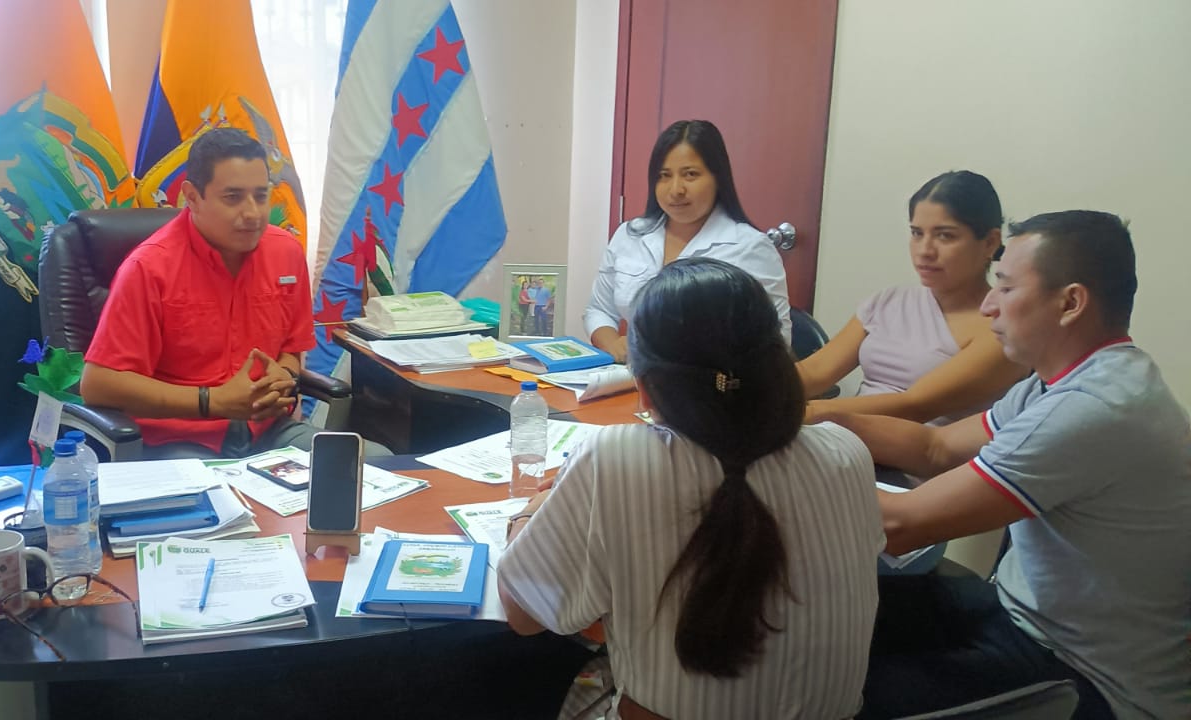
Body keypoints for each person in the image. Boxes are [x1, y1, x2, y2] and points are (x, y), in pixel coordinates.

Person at [817, 211, 1191, 719]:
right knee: (825, 619)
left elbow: (900, 526)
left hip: (1086, 675)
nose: (988, 305)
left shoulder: (1095, 407)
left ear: (1071, 303)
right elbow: (935, 447)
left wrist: (792, 472)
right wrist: (810, 417)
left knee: (835, 691)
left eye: (1007, 287)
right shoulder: (1061, 380)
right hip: (1020, 614)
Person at [500, 258, 883, 719]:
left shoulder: (615, 457)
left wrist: (533, 510)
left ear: (644, 388)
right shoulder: (847, 451)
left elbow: (524, 614)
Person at [79, 128, 387, 459]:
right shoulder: (148, 268)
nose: (252, 213)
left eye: (261, 196)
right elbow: (98, 384)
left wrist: (283, 375)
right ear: (192, 197)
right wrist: (212, 401)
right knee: (223, 494)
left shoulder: (285, 252)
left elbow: (290, 350)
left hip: (270, 434)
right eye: (233, 197)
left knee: (379, 463)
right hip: (182, 440)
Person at [798, 171, 1028, 425]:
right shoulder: (888, 302)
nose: (925, 251)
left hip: (910, 445)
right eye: (917, 233)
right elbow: (814, 371)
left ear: (990, 242)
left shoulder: (1002, 328)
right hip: (842, 433)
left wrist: (801, 413)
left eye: (945, 236)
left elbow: (914, 406)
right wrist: (763, 387)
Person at [584, 120, 792, 363]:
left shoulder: (750, 246)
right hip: (634, 375)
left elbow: (777, 341)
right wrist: (612, 343)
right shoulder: (630, 235)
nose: (676, 189)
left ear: (718, 178)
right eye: (664, 176)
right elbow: (598, 310)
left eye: (690, 174)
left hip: (711, 381)